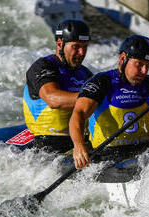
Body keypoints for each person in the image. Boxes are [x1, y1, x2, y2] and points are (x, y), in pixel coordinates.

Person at [69, 34, 149, 169]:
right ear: (123, 59)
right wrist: (79, 146)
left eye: (147, 65)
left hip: (144, 148)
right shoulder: (102, 81)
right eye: (139, 64)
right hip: (110, 153)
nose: (144, 71)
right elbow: (78, 114)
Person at [23, 19, 93, 153]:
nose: (81, 52)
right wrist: (94, 97)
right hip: (47, 145)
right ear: (60, 44)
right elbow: (53, 99)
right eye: (76, 46)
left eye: (85, 47)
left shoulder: (85, 73)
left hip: (79, 141)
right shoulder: (43, 66)